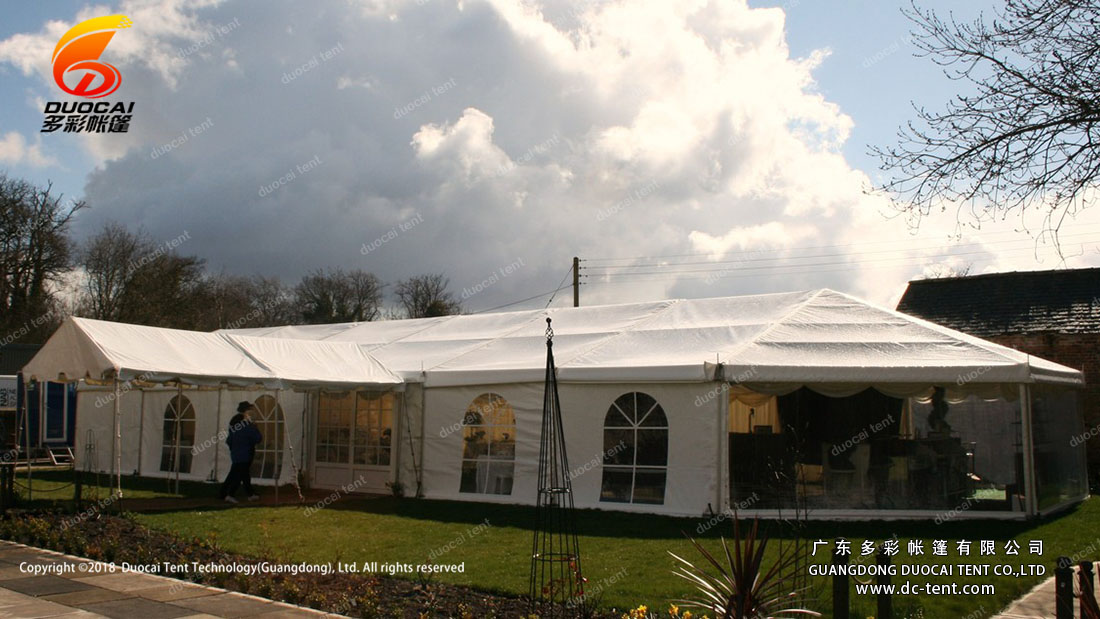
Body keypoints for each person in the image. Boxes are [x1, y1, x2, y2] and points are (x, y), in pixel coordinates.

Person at [219, 401, 262, 504]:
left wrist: (234, 448)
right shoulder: (247, 425)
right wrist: (255, 428)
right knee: (239, 475)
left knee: (240, 474)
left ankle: (248, 494)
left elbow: (229, 440)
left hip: (236, 453)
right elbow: (257, 438)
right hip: (245, 454)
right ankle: (230, 494)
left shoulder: (235, 424)